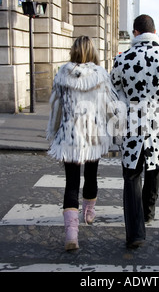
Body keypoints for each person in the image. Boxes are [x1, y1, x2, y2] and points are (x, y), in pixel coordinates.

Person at [110, 14, 159, 248]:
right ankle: (148, 211)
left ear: (135, 33)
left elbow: (112, 95)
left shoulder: (122, 59)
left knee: (132, 174)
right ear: (154, 32)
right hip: (157, 122)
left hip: (131, 123)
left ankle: (135, 232)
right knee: (155, 167)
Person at [46, 35, 119, 251]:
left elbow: (56, 107)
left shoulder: (62, 74)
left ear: (73, 50)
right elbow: (109, 106)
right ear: (93, 51)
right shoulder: (100, 75)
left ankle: (71, 234)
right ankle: (89, 212)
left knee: (71, 183)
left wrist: (53, 131)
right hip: (93, 135)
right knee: (91, 175)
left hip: (69, 137)